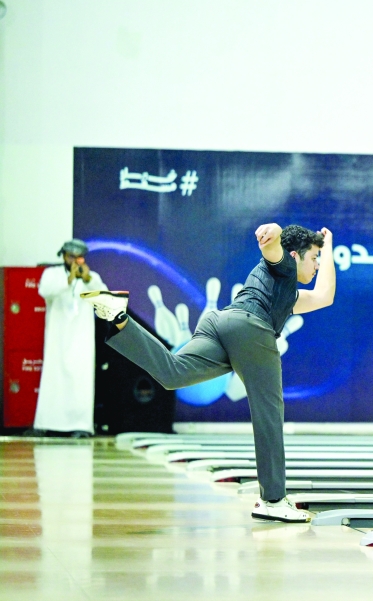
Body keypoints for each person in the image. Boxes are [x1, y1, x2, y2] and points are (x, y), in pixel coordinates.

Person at [82, 224, 336, 522]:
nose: (318, 264)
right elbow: (273, 248)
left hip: (221, 324)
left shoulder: (285, 293)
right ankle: (273, 500)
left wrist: (326, 246)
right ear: (295, 256)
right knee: (269, 412)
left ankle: (119, 317)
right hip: (251, 329)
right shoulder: (284, 268)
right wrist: (274, 232)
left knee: (173, 373)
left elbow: (325, 296)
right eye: (315, 257)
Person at [29, 239, 108, 439]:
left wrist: (87, 278)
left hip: (81, 339)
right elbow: (45, 291)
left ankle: (81, 426)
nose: (74, 260)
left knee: (81, 380)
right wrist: (69, 280)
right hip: (57, 338)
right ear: (63, 256)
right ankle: (46, 423)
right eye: (70, 256)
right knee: (53, 380)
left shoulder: (91, 277)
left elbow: (104, 298)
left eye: (77, 257)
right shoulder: (52, 274)